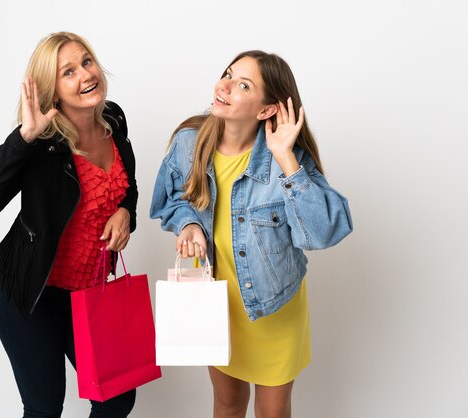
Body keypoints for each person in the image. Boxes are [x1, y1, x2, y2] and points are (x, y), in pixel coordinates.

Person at [150, 50, 352, 418]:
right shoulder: (189, 142)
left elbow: (326, 230)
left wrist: (286, 158)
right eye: (227, 74)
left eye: (242, 84)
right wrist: (189, 224)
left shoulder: (287, 158)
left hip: (274, 308)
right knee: (227, 406)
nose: (223, 86)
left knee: (272, 413)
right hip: (218, 306)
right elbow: (172, 200)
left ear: (266, 110)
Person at [0, 32, 138, 418]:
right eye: (68, 72)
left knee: (117, 397)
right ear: (52, 90)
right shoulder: (41, 145)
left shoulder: (115, 120)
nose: (85, 75)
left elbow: (127, 190)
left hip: (88, 295)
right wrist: (23, 137)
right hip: (30, 295)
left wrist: (126, 214)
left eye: (86, 62)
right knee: (44, 407)